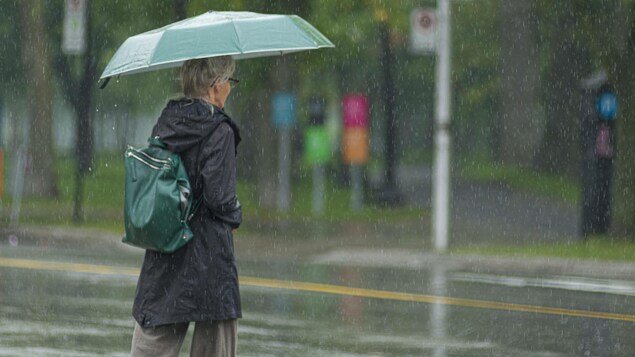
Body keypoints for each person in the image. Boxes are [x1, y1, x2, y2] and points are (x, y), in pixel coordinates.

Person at [130, 56, 242, 357]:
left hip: (166, 241)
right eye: (229, 81)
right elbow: (219, 197)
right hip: (208, 253)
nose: (230, 88)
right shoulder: (220, 130)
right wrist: (236, 213)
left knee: (154, 337)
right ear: (215, 86)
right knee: (215, 340)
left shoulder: (166, 122)